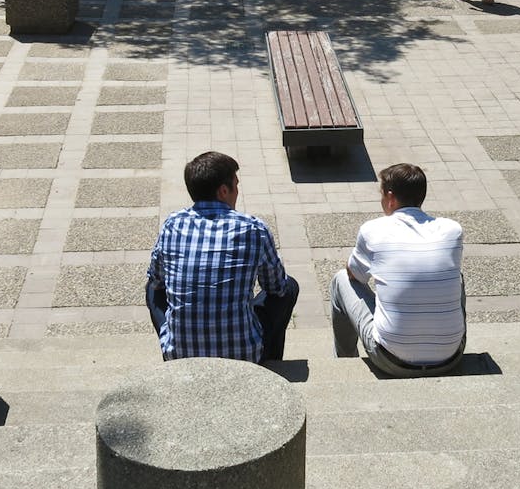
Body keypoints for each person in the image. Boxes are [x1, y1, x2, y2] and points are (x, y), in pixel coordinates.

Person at [145, 151, 298, 363]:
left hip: (179, 356)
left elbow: (156, 280)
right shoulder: (253, 229)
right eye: (236, 185)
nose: (238, 191)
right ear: (223, 191)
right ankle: (269, 363)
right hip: (242, 354)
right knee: (290, 287)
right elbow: (277, 287)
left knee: (151, 290)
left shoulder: (172, 224)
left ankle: (176, 339)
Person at [330, 163, 466, 377]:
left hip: (391, 359)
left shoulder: (373, 230)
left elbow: (353, 275)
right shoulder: (453, 230)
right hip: (450, 356)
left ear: (391, 198)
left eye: (381, 194)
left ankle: (344, 361)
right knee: (456, 277)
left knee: (340, 280)